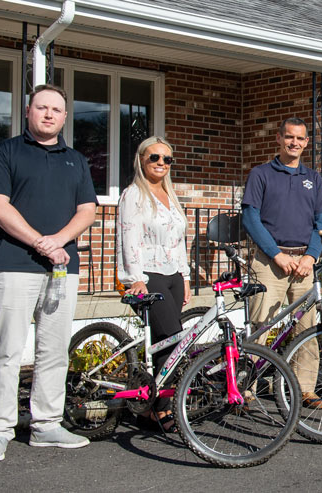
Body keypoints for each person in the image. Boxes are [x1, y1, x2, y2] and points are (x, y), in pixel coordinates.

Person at [0, 84, 97, 462]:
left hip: (62, 268)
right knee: (7, 351)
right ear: (29, 112)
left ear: (65, 117)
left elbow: (87, 211)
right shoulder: (5, 152)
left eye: (56, 110)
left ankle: (46, 424)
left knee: (54, 351)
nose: (48, 114)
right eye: (41, 108)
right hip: (14, 266)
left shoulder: (75, 160)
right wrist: (39, 242)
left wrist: (58, 241)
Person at [241, 117, 322, 408]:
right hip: (269, 261)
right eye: (289, 137)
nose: (294, 143)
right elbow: (250, 217)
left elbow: (321, 221)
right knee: (261, 326)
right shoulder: (261, 174)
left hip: (304, 263)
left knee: (307, 329)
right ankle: (248, 386)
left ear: (306, 142)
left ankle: (305, 389)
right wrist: (276, 254)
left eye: (300, 138)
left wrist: (311, 256)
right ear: (278, 139)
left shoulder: (313, 178)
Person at [116, 136, 190, 431]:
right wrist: (135, 279)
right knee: (172, 338)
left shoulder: (170, 197)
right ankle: (160, 409)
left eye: (167, 159)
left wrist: (184, 277)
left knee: (167, 344)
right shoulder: (133, 195)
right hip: (147, 276)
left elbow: (179, 241)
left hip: (172, 275)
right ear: (141, 160)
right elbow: (128, 239)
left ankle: (149, 410)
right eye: (154, 158)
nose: (161, 163)